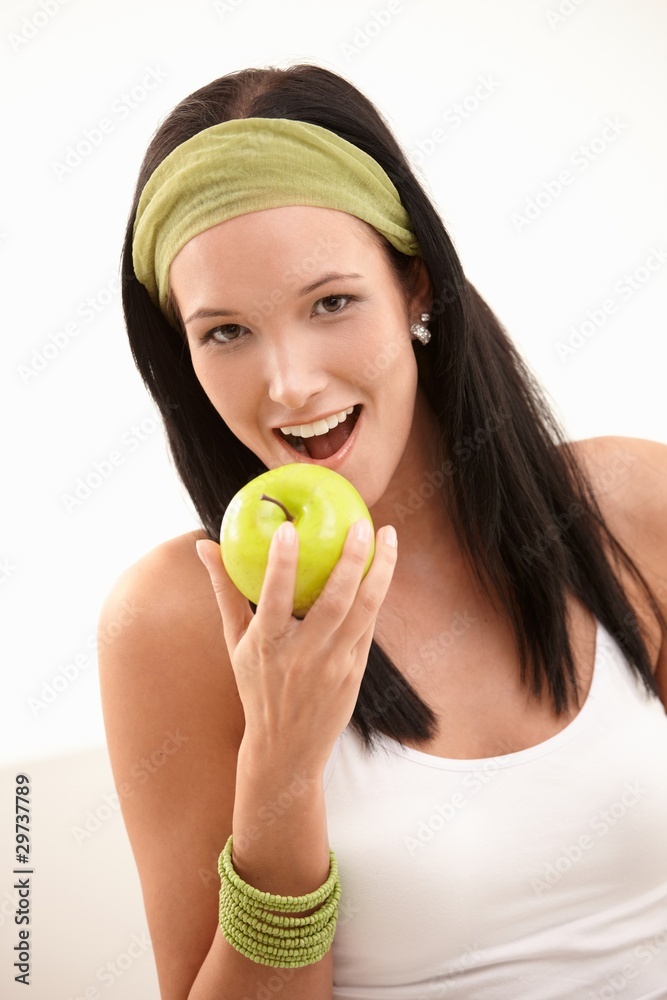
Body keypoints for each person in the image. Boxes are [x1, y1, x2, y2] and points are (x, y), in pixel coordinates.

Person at [98, 63, 667, 1000]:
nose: (289, 385)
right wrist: (279, 774)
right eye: (225, 332)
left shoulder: (631, 506)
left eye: (330, 302)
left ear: (416, 287)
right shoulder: (175, 620)